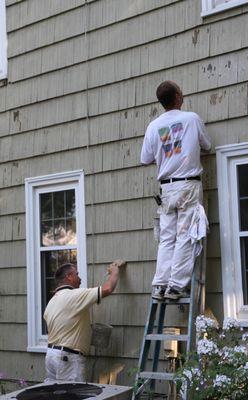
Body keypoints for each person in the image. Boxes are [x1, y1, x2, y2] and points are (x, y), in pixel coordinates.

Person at [141, 81, 211, 300]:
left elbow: (145, 158)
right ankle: (176, 286)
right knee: (184, 236)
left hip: (167, 189)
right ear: (178, 96)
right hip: (188, 185)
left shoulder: (153, 126)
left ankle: (160, 285)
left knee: (167, 238)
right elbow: (207, 145)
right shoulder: (191, 119)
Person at [44, 259, 126, 382]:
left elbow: (65, 326)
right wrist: (115, 272)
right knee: (73, 395)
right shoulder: (74, 295)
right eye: (77, 274)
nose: (80, 278)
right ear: (69, 277)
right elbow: (107, 289)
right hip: (68, 359)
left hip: (51, 356)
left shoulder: (52, 301)